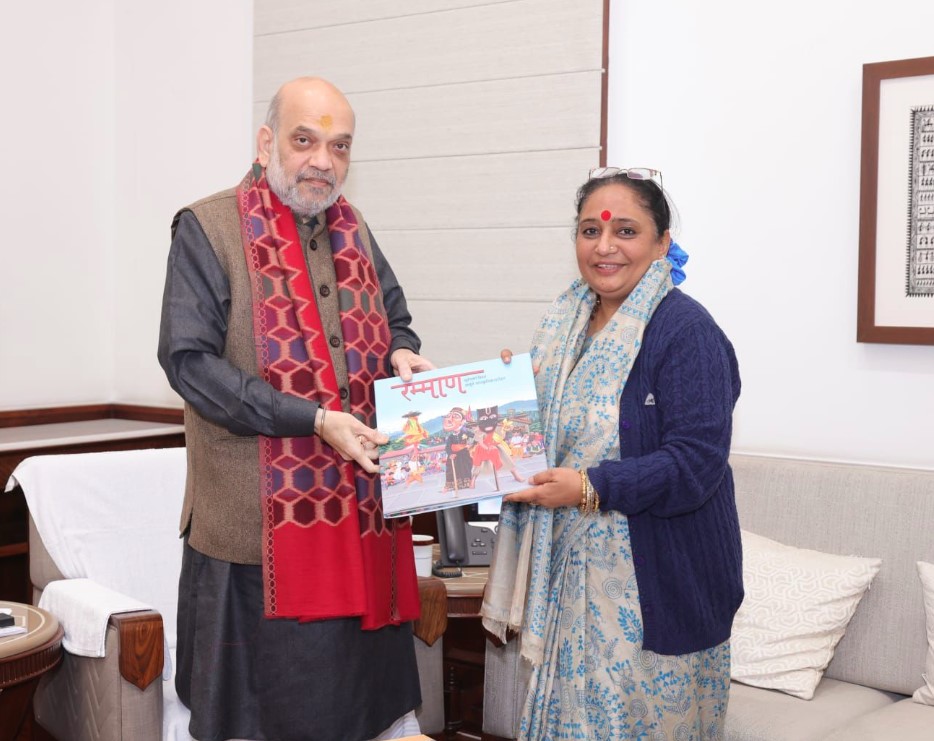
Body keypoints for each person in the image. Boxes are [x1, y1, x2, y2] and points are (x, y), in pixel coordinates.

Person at [158, 76, 435, 741]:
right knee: (260, 722)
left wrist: (402, 351)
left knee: (356, 715)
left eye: (340, 147)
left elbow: (397, 317)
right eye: (304, 140)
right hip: (251, 536)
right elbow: (189, 363)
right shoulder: (207, 226)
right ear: (266, 143)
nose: (323, 161)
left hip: (358, 524)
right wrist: (310, 419)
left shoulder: (353, 226)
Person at [482, 167, 743, 739]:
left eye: (625, 231)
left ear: (662, 243)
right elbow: (545, 437)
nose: (604, 246)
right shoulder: (564, 326)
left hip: (655, 591)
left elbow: (696, 463)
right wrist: (503, 395)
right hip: (573, 576)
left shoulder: (685, 331)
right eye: (589, 231)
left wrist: (590, 486)